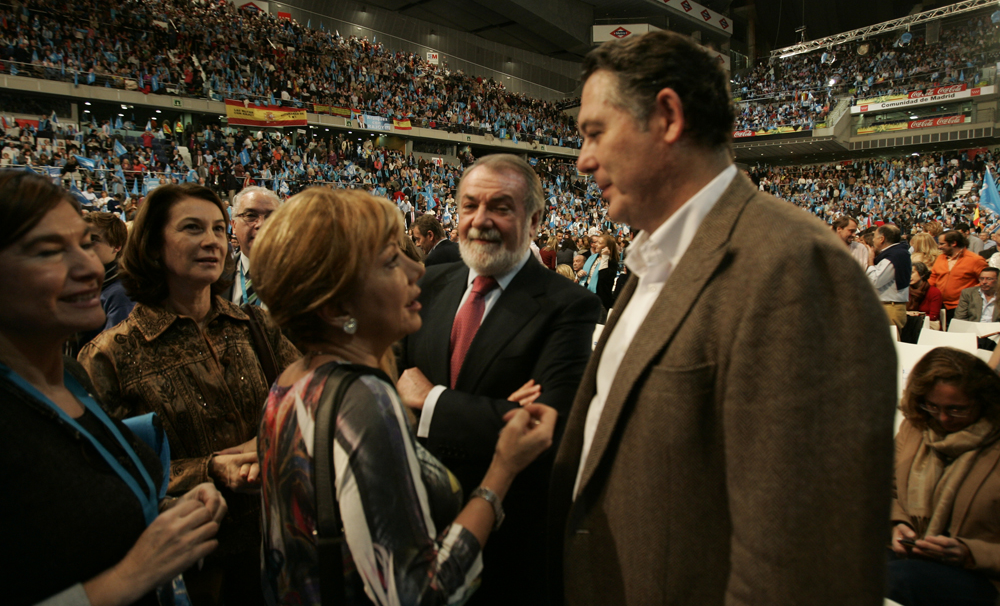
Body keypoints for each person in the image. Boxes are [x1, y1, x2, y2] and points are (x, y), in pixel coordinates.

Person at [548, 30, 896, 605]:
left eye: (595, 132)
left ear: (667, 117)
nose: (583, 160)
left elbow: (798, 573)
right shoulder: (653, 258)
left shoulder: (794, 269)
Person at [251, 187, 558, 605]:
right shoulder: (365, 399)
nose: (418, 270)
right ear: (336, 306)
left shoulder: (293, 378)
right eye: (391, 261)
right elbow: (420, 593)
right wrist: (503, 469)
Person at [0, 171, 227, 606]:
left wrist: (167, 512)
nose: (89, 267)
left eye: (86, 244)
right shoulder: (103, 358)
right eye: (48, 252)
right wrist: (131, 576)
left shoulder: (70, 377)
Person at [78, 183, 300, 606]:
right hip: (188, 575)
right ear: (153, 244)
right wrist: (208, 469)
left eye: (217, 228)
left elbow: (309, 402)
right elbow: (106, 477)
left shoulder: (255, 326)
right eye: (192, 228)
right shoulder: (111, 355)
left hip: (278, 550)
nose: (212, 241)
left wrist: (267, 439)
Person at [396, 154, 602, 606]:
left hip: (510, 547)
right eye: (470, 206)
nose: (480, 220)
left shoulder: (569, 306)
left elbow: (547, 429)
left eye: (501, 207)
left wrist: (432, 402)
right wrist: (501, 413)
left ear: (535, 220)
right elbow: (386, 387)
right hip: (416, 528)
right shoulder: (428, 284)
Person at [887, 347, 1000, 606]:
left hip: (981, 575)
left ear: (984, 401)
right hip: (912, 558)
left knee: (895, 580)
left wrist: (968, 552)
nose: (944, 418)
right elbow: (885, 490)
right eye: (933, 406)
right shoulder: (916, 427)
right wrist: (897, 524)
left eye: (957, 409)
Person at [82, 211, 135, 330]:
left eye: (93, 239)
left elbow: (116, 340)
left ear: (116, 246)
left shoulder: (121, 294)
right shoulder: (82, 284)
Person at [229, 186, 281, 307]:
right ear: (234, 225)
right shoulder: (216, 277)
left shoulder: (304, 279)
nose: (261, 224)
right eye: (251, 215)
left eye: (271, 217)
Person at [931, 230, 987, 325]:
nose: (939, 247)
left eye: (942, 244)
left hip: (963, 307)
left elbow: (986, 281)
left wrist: (970, 294)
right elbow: (933, 278)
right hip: (940, 305)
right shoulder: (940, 258)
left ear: (954, 243)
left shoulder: (975, 260)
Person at [866, 224, 912, 330]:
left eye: (874, 237)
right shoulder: (896, 253)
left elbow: (875, 281)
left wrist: (870, 261)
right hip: (887, 306)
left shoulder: (894, 256)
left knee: (891, 339)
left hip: (890, 308)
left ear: (881, 239)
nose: (873, 240)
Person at [955, 268, 1000, 350]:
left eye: (989, 279)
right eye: (981, 278)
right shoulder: (968, 293)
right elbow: (960, 318)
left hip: (996, 336)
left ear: (998, 280)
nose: (984, 282)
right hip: (973, 333)